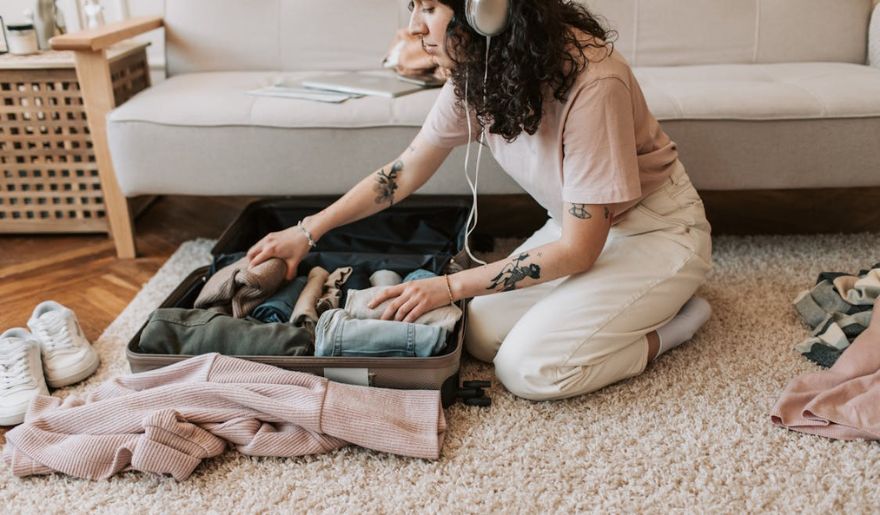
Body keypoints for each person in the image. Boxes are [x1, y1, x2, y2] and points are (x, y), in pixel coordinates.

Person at [247, 0, 713, 401]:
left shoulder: (594, 83)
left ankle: (678, 322)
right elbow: (405, 170)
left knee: (529, 369)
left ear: (484, 10)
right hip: (578, 225)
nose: (413, 26)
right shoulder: (481, 66)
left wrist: (449, 287)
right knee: (484, 334)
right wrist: (307, 230)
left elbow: (579, 251)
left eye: (429, 8)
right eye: (413, 7)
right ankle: (634, 305)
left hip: (655, 231)